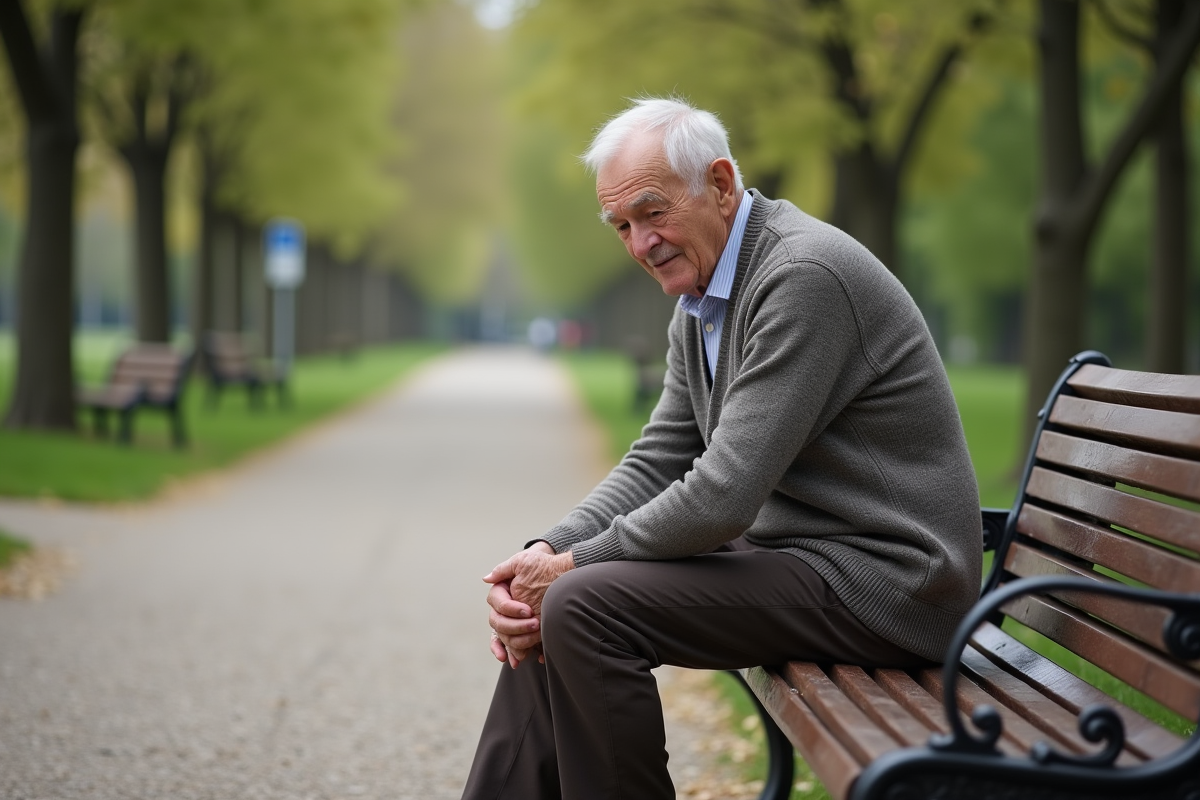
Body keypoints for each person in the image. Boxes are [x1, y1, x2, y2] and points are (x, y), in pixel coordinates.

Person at [462, 97, 982, 800]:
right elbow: (658, 459)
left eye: (653, 213)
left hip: (891, 583)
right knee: (552, 608)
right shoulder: (703, 300)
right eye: (622, 225)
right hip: (809, 556)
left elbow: (722, 496)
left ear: (722, 183)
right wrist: (541, 554)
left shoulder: (802, 276)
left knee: (581, 605)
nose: (641, 243)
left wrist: (570, 568)